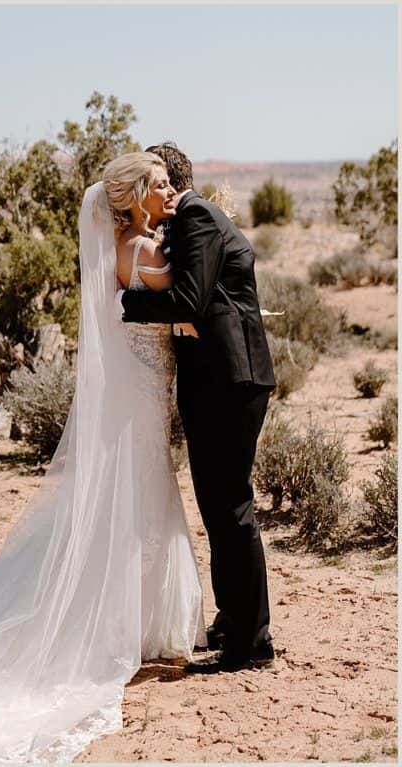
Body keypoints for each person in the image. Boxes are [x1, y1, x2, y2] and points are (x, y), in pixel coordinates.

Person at [0, 152, 204, 762]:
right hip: (141, 395)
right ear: (134, 196)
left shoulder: (129, 241)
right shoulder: (141, 250)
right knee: (142, 497)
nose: (167, 193)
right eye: (158, 187)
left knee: (144, 497)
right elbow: (190, 282)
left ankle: (135, 621)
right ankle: (124, 625)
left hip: (143, 387)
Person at [120, 142, 277, 674]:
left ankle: (251, 642)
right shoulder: (191, 219)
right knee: (218, 506)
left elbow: (188, 298)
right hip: (217, 382)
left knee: (231, 507)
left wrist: (126, 301)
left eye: (161, 180)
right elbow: (204, 296)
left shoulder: (196, 216)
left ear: (172, 178)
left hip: (232, 380)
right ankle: (233, 621)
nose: (160, 191)